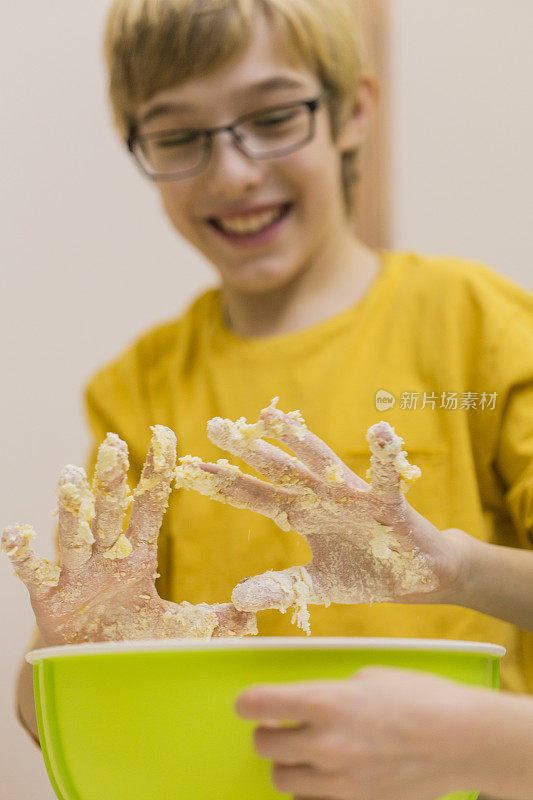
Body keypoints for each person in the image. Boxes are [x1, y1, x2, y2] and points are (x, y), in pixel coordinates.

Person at [8, 0, 532, 792]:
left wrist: (455, 568)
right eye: (179, 136)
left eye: (273, 116)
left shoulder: (472, 325)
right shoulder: (137, 389)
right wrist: (73, 662)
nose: (233, 173)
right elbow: (48, 703)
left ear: (351, 111)